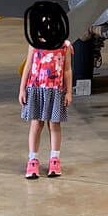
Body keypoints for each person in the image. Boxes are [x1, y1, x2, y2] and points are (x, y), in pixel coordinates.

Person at [19, 40, 74, 179]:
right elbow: (28, 65)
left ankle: (54, 159)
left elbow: (67, 69)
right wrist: (22, 89)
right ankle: (33, 160)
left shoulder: (65, 46)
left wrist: (68, 92)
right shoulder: (34, 43)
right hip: (36, 89)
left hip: (56, 90)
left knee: (54, 124)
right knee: (36, 124)